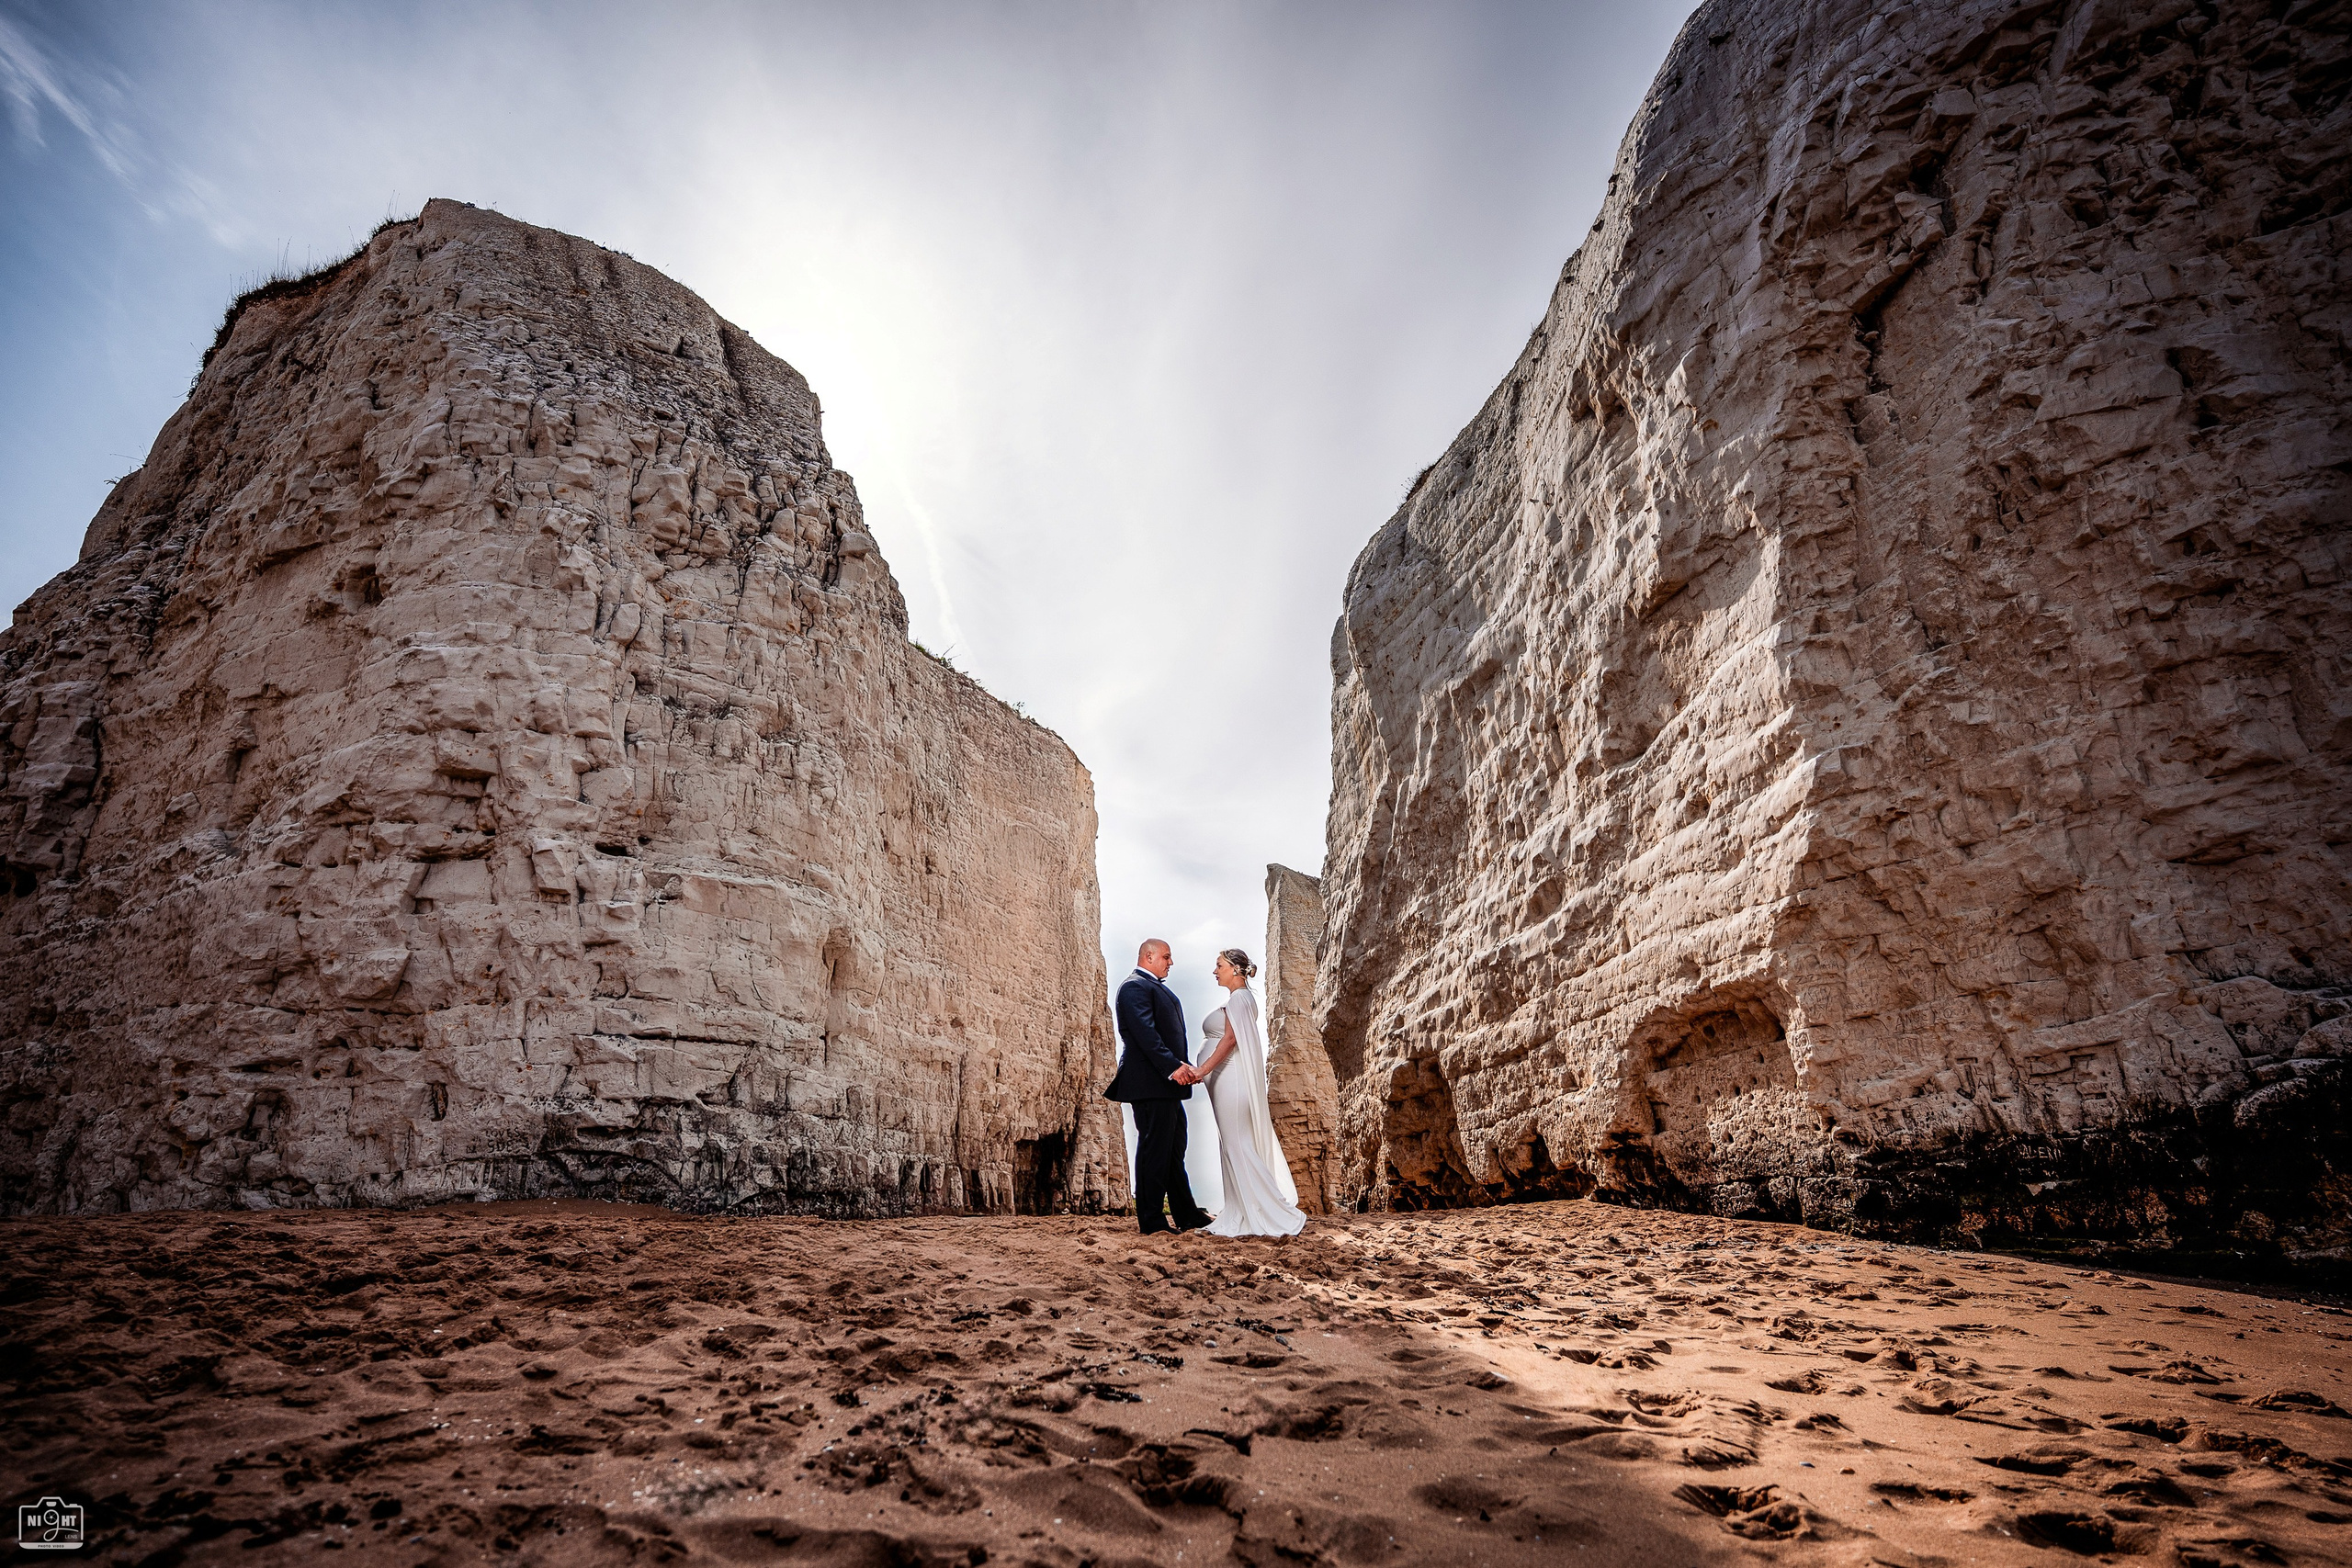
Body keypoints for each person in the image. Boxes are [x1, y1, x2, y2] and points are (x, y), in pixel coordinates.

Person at [1176, 948, 1306, 1238]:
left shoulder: (1240, 999)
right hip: (1226, 1080)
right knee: (1232, 1146)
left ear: (1236, 969)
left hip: (1232, 1080)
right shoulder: (1239, 999)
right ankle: (1241, 1210)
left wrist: (1202, 1069)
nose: (1215, 971)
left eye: (1219, 965)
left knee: (1238, 1146)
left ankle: (1268, 1212)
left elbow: (1231, 1039)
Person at [1104, 938, 1212, 1235]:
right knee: (1154, 1151)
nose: (1171, 962)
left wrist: (1183, 1067)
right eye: (1166, 956)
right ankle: (1151, 1221)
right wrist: (1174, 1067)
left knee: (1173, 1151)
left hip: (1165, 1086)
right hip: (1150, 1085)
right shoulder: (1134, 987)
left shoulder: (1150, 986)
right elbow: (1145, 1034)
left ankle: (1187, 1214)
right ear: (1148, 956)